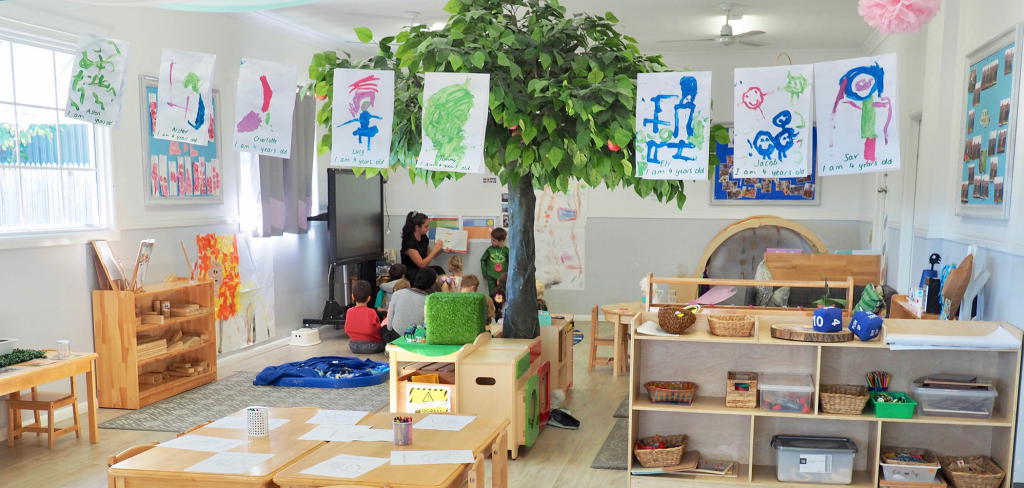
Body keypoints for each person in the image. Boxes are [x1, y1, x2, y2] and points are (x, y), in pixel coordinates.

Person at [383, 267, 437, 343]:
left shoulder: (397, 293)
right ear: (432, 283)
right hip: (419, 340)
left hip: (396, 338)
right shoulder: (430, 301)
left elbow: (389, 326)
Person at [401, 211, 444, 282]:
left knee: (438, 269)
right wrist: (435, 249)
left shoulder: (424, 238)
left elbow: (428, 255)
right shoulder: (409, 242)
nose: (428, 228)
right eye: (426, 226)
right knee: (431, 273)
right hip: (411, 273)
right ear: (417, 227)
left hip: (421, 271)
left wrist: (441, 250)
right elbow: (421, 264)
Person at [345, 280, 384, 354]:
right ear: (369, 298)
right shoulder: (371, 312)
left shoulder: (349, 311)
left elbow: (347, 328)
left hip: (354, 346)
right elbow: (377, 329)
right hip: (373, 346)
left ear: (353, 296)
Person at [480, 228, 509, 294]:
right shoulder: (490, 249)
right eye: (491, 239)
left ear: (501, 241)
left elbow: (511, 263)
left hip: (503, 278)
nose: (491, 241)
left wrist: (509, 274)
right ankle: (491, 304)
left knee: (503, 293)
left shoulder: (506, 250)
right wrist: (484, 272)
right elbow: (483, 260)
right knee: (492, 293)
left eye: (494, 240)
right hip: (491, 276)